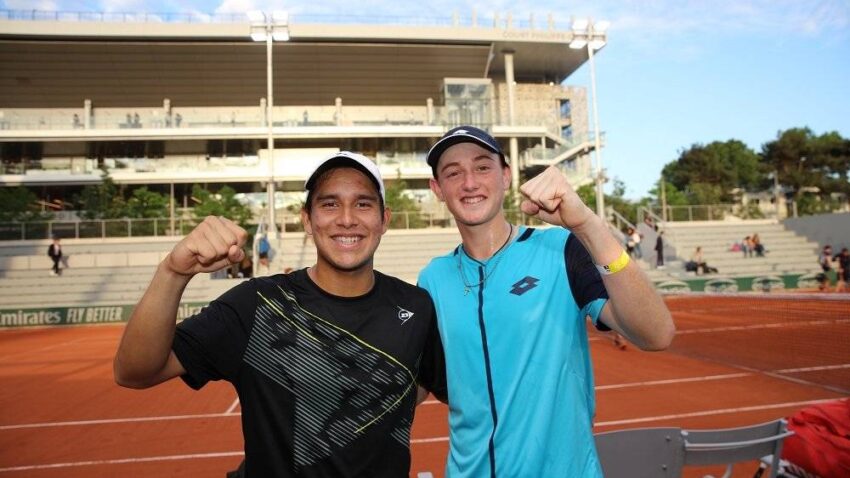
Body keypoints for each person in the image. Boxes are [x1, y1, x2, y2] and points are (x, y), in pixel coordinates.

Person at [114, 151, 447, 477]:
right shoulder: (258, 304)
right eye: (329, 203)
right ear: (307, 219)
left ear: (384, 219)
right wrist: (173, 272)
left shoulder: (417, 306)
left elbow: (426, 383)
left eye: (363, 203)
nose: (347, 218)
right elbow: (134, 372)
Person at [418, 126, 674, 477]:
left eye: (482, 167)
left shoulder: (561, 249)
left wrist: (586, 225)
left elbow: (656, 334)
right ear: (438, 189)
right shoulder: (433, 278)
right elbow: (425, 382)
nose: (470, 182)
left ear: (505, 176)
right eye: (453, 173)